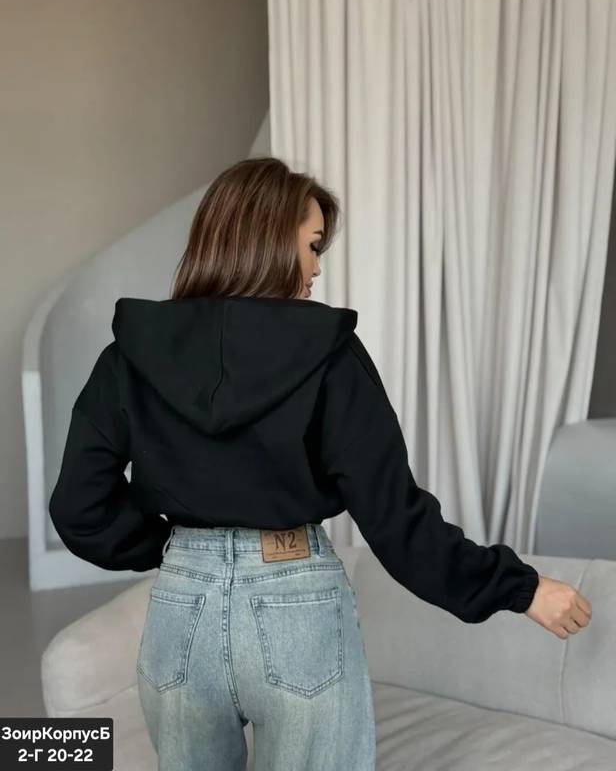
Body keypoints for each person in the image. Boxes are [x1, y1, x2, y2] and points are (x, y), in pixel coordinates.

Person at [48, 156, 592, 771]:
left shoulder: (128, 357)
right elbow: (396, 520)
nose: (317, 267)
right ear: (270, 239)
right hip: (296, 608)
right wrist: (521, 589)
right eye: (311, 246)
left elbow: (80, 507)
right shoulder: (328, 354)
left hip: (181, 610)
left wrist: (176, 548)